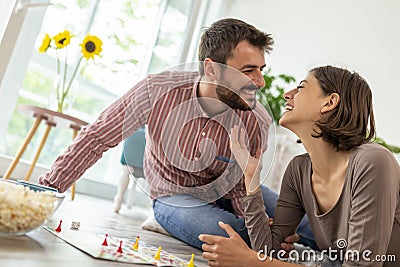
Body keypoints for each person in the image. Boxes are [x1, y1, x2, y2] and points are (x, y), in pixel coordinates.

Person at [38, 18, 316, 250]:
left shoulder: (256, 118)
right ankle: (167, 221)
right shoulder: (157, 90)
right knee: (225, 234)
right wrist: (47, 192)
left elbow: (245, 186)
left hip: (233, 190)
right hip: (174, 194)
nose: (259, 81)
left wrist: (262, 233)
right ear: (211, 69)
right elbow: (97, 137)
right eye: (248, 70)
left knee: (305, 220)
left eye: (261, 69)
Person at [199, 65, 400, 266]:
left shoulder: (373, 161)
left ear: (330, 102)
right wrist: (251, 178)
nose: (288, 95)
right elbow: (270, 251)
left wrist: (251, 261)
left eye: (301, 88)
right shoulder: (299, 169)